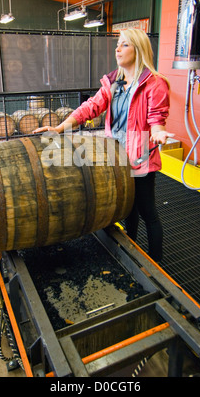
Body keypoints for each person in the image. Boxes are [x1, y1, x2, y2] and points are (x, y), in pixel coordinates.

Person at [33, 28, 174, 262]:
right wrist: (59, 127)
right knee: (129, 209)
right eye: (118, 44)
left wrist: (158, 133)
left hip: (139, 156)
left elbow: (156, 119)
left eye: (125, 45)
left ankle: (157, 262)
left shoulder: (154, 84)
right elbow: (91, 107)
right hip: (115, 155)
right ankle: (133, 252)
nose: (118, 49)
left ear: (138, 49)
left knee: (148, 211)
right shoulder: (114, 83)